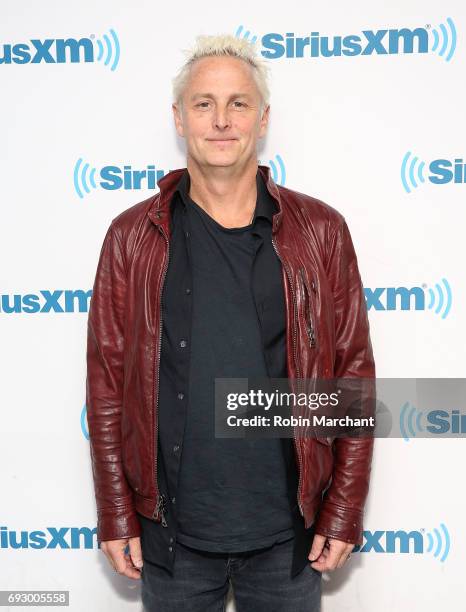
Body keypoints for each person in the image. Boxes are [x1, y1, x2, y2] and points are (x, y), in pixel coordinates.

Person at [86, 33, 375, 612]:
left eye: (238, 103)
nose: (221, 120)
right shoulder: (130, 238)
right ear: (179, 118)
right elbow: (108, 387)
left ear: (262, 119)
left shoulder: (321, 231)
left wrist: (342, 510)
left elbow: (352, 378)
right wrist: (116, 511)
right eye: (203, 104)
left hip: (289, 539)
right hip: (172, 539)